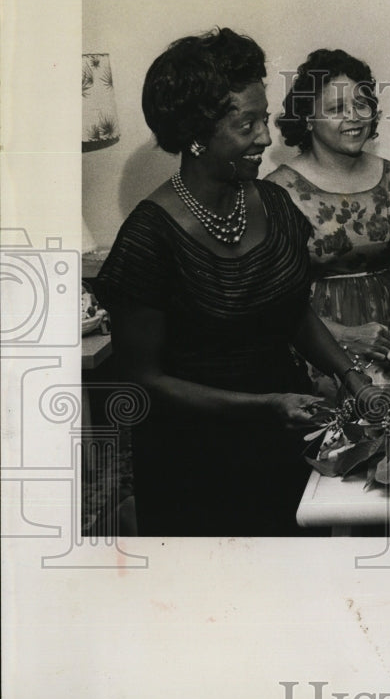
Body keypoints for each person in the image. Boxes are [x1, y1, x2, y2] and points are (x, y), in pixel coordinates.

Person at [96, 29, 375, 536]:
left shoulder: (273, 204)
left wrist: (350, 374)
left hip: (283, 435)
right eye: (245, 124)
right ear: (196, 133)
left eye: (263, 119)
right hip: (194, 457)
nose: (266, 138)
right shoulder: (148, 237)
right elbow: (143, 378)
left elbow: (290, 310)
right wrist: (263, 407)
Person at [267, 49, 390, 392]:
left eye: (362, 104)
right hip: (315, 335)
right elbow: (274, 299)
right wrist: (346, 337)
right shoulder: (278, 192)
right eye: (337, 108)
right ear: (308, 117)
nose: (354, 117)